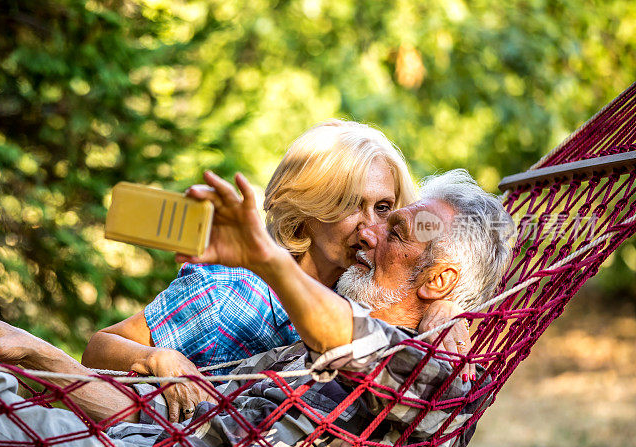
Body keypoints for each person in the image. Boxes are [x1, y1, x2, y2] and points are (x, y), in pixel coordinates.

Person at [0, 169, 514, 447]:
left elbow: (352, 337)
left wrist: (265, 258)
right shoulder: (313, 357)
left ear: (437, 282)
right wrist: (38, 354)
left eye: (394, 229)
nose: (370, 239)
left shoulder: (441, 381)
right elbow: (175, 425)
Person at [83, 120, 420, 420]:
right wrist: (156, 357)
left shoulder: (361, 297)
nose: (371, 230)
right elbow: (97, 350)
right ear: (307, 208)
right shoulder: (231, 291)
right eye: (349, 204)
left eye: (383, 208)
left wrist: (445, 311)